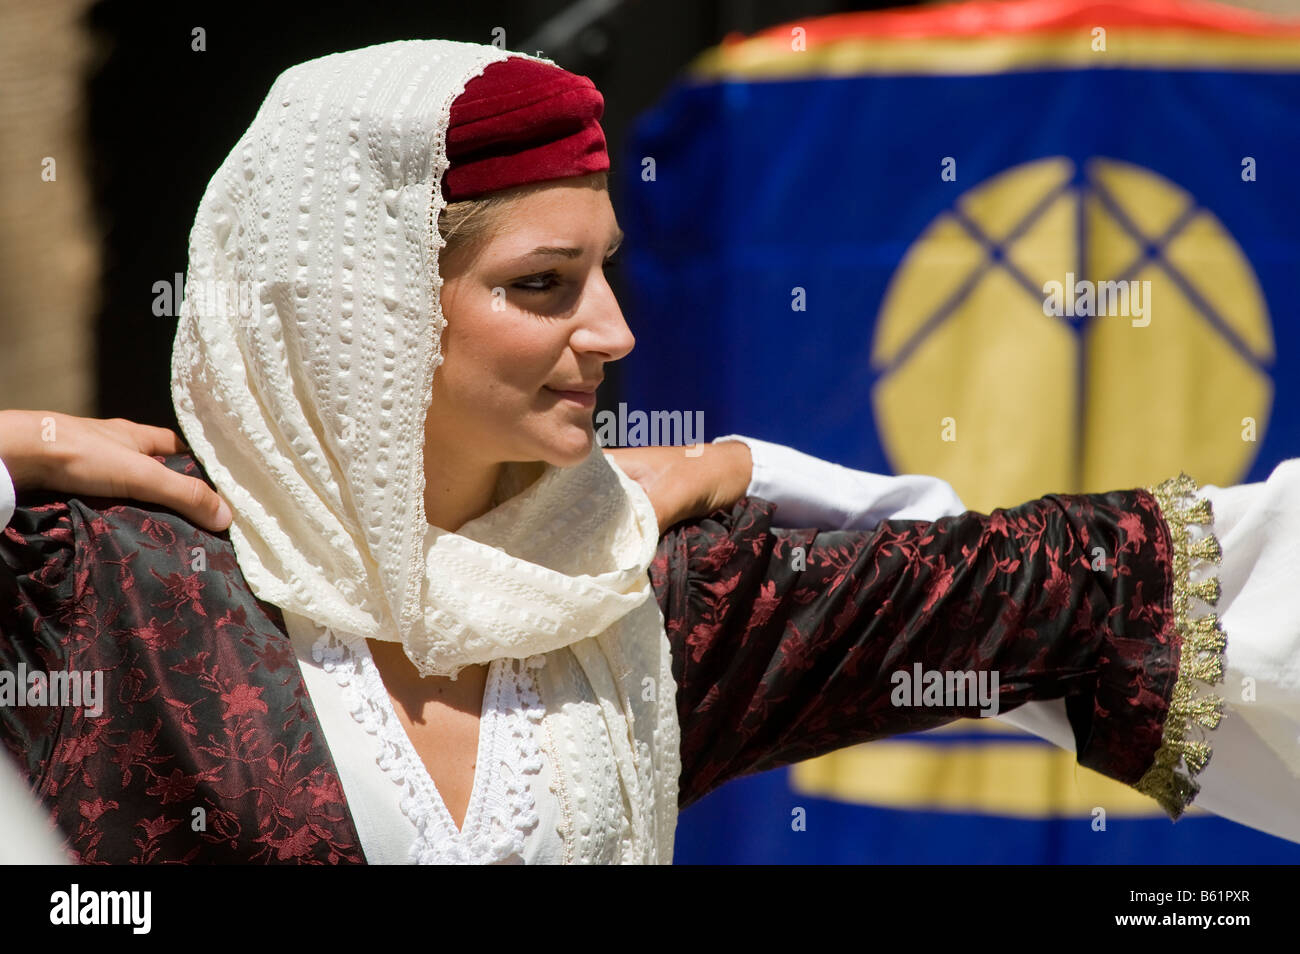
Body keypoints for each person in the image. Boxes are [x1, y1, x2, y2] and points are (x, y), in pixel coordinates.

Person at [0, 39, 1293, 864]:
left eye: (605, 271)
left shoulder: (652, 592)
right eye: (544, 284)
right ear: (360, 304)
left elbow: (1106, 584)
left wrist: (748, 469)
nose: (613, 332)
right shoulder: (93, 592)